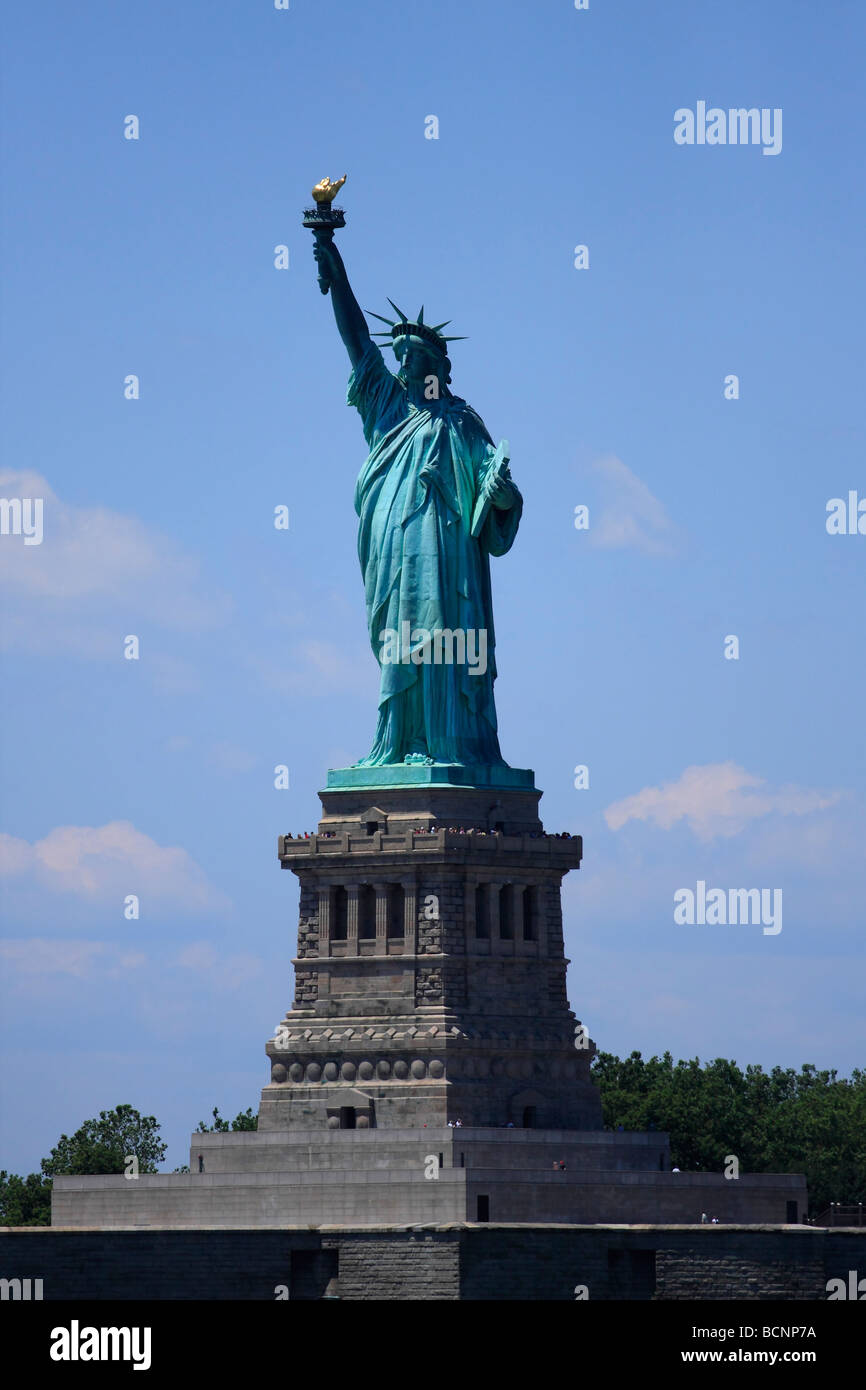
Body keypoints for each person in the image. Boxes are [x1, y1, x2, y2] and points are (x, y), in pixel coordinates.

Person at [313, 235, 523, 768]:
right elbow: (356, 337)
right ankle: (397, 743)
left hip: (452, 564)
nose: (404, 368)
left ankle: (453, 747)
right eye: (400, 359)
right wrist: (332, 262)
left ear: (438, 368)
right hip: (395, 555)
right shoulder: (385, 407)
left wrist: (501, 497)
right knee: (402, 641)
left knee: (446, 641)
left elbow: (499, 494)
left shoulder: (462, 421)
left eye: (414, 359)